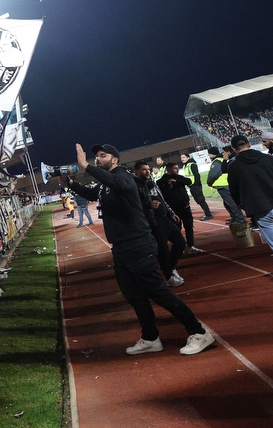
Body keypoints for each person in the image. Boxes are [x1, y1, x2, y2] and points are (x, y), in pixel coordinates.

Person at [65, 143, 213, 356]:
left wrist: (85, 166)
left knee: (157, 291)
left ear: (115, 159)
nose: (98, 159)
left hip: (138, 244)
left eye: (102, 155)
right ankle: (150, 338)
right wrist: (69, 182)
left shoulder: (124, 176)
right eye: (96, 156)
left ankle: (198, 332)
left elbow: (114, 182)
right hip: (121, 248)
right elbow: (90, 194)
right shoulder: (107, 183)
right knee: (133, 295)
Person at [134, 161, 186, 285]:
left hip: (165, 218)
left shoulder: (152, 182)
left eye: (148, 169)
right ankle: (169, 277)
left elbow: (162, 199)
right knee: (163, 249)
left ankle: (170, 268)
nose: (148, 171)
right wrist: (148, 205)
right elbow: (133, 205)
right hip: (153, 221)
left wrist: (171, 212)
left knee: (180, 243)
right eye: (144, 170)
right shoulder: (135, 186)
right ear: (137, 172)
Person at [228, 134, 273, 251]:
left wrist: (238, 203)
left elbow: (233, 189)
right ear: (249, 144)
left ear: (233, 149)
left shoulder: (234, 167)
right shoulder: (268, 158)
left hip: (259, 207)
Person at [157, 161, 198, 255]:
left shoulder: (179, 178)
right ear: (169, 169)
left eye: (177, 168)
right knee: (176, 228)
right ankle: (179, 246)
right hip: (174, 210)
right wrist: (168, 184)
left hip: (185, 207)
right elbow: (161, 192)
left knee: (189, 227)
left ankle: (191, 245)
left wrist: (177, 181)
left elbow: (189, 181)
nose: (177, 170)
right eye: (175, 168)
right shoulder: (161, 181)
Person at [207, 145, 245, 224]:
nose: (208, 155)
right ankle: (234, 217)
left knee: (231, 203)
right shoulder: (221, 160)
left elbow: (213, 174)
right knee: (227, 203)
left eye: (209, 153)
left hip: (223, 184)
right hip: (224, 184)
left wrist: (209, 182)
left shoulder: (217, 161)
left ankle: (239, 218)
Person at [180, 152, 213, 220]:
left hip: (195, 186)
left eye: (183, 157)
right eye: (181, 158)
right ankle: (207, 213)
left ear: (188, 158)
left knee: (201, 200)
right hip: (191, 186)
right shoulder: (185, 166)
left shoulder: (192, 164)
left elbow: (196, 175)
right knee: (199, 201)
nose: (182, 159)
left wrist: (197, 184)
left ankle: (208, 214)